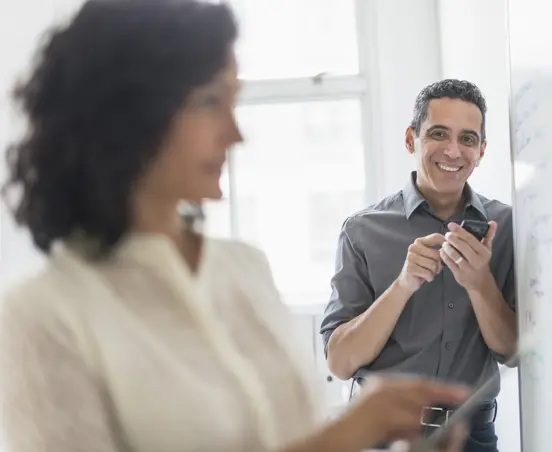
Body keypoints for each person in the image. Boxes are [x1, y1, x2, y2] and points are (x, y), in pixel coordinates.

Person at [0, 1, 471, 451]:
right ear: (126, 114)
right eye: (209, 102)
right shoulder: (42, 318)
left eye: (233, 102)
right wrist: (346, 435)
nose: (235, 133)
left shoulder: (244, 268)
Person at [320, 79, 517, 451]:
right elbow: (340, 363)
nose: (453, 151)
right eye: (438, 134)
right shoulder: (362, 231)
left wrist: (479, 283)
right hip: (382, 435)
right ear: (411, 139)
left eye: (468, 139)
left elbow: (512, 350)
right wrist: (403, 284)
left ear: (482, 151)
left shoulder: (505, 229)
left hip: (471, 436)